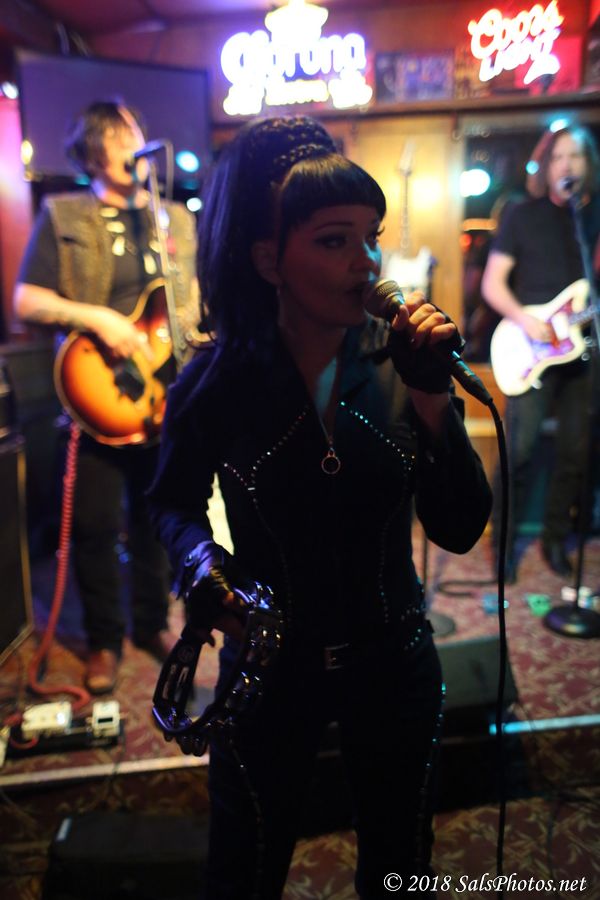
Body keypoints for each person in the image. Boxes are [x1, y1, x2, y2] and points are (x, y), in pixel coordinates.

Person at [148, 115, 492, 899]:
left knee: (400, 867)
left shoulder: (404, 366)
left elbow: (460, 528)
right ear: (269, 259)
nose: (366, 262)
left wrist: (435, 403)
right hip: (268, 668)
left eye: (371, 238)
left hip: (395, 662)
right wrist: (201, 564)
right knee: (243, 869)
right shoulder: (216, 381)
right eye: (335, 241)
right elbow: (170, 502)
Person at [13, 100, 200, 694]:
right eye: (116, 138)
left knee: (158, 520)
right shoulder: (65, 214)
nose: (130, 146)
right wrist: (96, 318)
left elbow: (191, 298)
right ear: (92, 155)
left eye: (133, 133)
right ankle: (103, 641)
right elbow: (26, 300)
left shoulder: (175, 219)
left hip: (162, 396)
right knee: (94, 526)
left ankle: (152, 622)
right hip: (95, 394)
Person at [482, 125, 600, 582]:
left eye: (576, 156)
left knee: (576, 453)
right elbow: (493, 284)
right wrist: (524, 318)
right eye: (559, 156)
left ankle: (555, 539)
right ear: (547, 165)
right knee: (519, 451)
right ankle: (503, 544)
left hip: (582, 350)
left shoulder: (592, 220)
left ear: (589, 165)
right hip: (530, 346)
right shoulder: (522, 215)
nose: (567, 164)